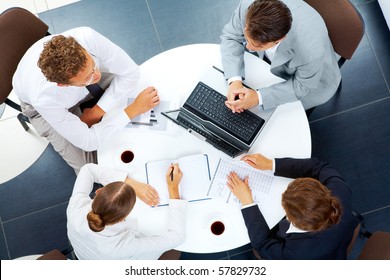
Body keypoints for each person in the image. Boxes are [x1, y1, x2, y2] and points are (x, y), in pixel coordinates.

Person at [12, 27, 160, 174]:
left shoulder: (86, 37)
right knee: (90, 168)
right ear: (63, 84)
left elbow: (131, 73)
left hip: (81, 86)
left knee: (139, 88)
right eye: (88, 77)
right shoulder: (44, 98)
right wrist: (132, 110)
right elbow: (89, 142)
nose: (96, 74)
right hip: (41, 108)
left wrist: (95, 112)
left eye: (93, 65)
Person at [226, 153, 358, 259]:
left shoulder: (297, 254)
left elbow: (262, 245)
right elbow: (318, 167)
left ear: (292, 220)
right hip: (341, 237)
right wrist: (271, 164)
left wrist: (247, 202)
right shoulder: (340, 189)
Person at [220, 0, 341, 113]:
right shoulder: (248, 4)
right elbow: (231, 36)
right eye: (247, 38)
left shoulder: (310, 49)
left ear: (279, 40)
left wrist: (259, 97)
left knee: (269, 116)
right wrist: (235, 81)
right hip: (277, 64)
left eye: (257, 45)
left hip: (311, 81)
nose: (248, 48)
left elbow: (303, 86)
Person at [67, 163, 187, 260]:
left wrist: (131, 183)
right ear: (122, 219)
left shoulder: (76, 208)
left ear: (99, 191)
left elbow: (87, 169)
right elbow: (177, 237)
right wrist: (173, 189)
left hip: (84, 255)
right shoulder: (121, 247)